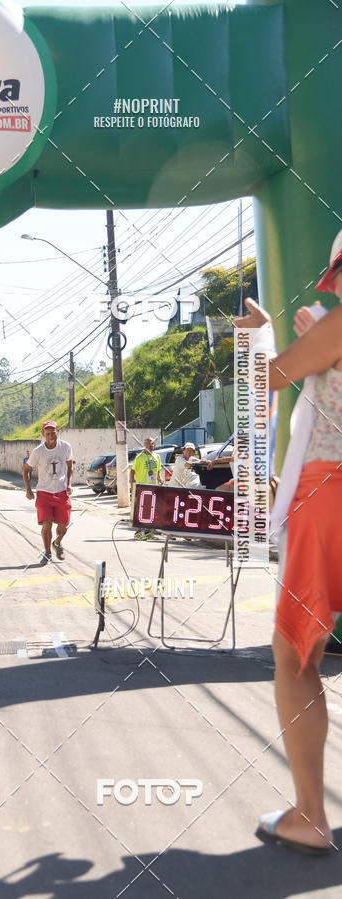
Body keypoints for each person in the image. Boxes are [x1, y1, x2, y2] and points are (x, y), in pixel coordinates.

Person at [237, 231, 342, 856]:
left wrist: (263, 335)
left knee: (296, 654)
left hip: (329, 493)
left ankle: (309, 815)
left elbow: (262, 384)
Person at [23, 421, 73, 563]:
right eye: (48, 433)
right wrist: (28, 489)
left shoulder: (66, 447)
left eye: (53, 432)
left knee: (63, 526)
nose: (51, 436)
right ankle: (47, 552)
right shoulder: (38, 451)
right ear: (43, 434)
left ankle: (56, 542)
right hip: (44, 493)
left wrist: (69, 484)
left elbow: (70, 467)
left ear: (58, 431)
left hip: (62, 492)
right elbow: (26, 470)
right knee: (47, 523)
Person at [130, 437, 163, 540]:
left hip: (153, 487)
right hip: (141, 487)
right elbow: (132, 471)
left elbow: (158, 471)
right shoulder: (139, 457)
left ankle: (148, 532)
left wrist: (160, 478)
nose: (149, 445)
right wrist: (132, 485)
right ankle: (138, 532)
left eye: (151, 443)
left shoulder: (157, 457)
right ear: (144, 445)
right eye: (147, 443)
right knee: (140, 509)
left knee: (150, 510)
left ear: (155, 445)